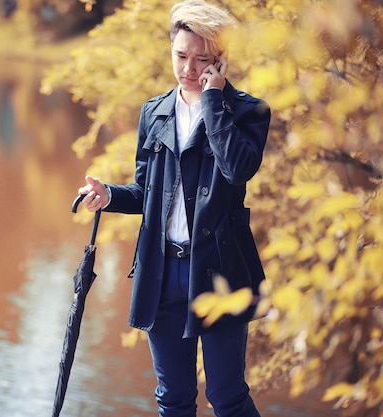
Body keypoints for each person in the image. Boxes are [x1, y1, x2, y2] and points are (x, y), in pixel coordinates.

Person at [77, 1, 271, 416]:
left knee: (228, 396)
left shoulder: (249, 111)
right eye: (181, 56)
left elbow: (237, 169)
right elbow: (148, 192)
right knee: (173, 399)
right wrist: (109, 196)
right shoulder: (155, 111)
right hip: (162, 272)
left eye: (202, 58)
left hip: (220, 270)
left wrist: (213, 101)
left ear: (220, 60)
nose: (188, 68)